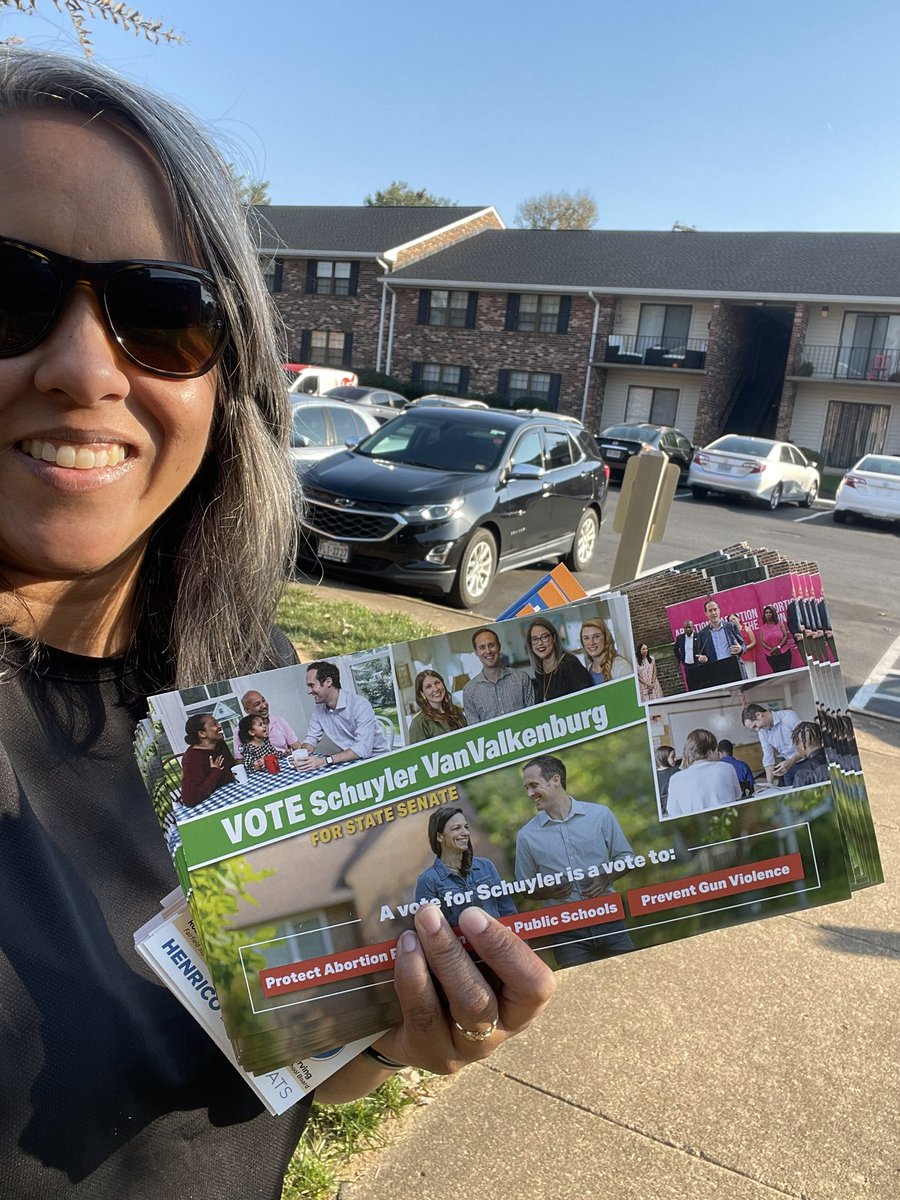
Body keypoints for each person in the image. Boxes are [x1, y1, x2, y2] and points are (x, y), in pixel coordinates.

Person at [0, 49, 554, 1198]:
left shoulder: (251, 680)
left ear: (226, 379)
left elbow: (278, 1063)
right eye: (8, 291)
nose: (84, 368)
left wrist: (397, 1034)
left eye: (162, 315)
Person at [515, 755, 635, 965]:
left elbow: (626, 858)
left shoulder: (600, 815)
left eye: (534, 786)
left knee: (634, 981)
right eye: (527, 788)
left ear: (555, 780)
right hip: (566, 932)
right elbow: (525, 887)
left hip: (609, 920)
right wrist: (548, 891)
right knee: (581, 994)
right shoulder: (526, 836)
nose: (530, 793)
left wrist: (606, 877)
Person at [414, 807, 518, 928]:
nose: (465, 833)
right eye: (457, 828)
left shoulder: (486, 866)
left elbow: (509, 913)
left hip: (500, 944)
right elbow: (430, 931)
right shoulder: (427, 881)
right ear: (439, 837)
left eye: (466, 827)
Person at [296, 660, 389, 769]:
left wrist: (325, 761)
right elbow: (311, 739)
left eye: (312, 685)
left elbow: (363, 750)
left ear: (328, 682)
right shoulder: (319, 710)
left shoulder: (360, 704)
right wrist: (301, 755)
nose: (309, 691)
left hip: (378, 761)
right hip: (351, 762)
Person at [461, 626, 533, 724]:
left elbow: (533, 717)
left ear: (499, 646)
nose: (488, 651)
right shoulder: (469, 691)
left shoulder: (522, 678)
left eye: (491, 645)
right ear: (476, 652)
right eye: (482, 647)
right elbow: (476, 733)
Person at [665, 729, 742, 817]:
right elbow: (737, 796)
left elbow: (673, 813)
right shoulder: (727, 768)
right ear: (712, 751)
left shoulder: (675, 780)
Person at [526, 617, 594, 704]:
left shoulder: (570, 663)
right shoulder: (539, 671)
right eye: (535, 639)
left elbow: (587, 699)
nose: (540, 643)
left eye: (544, 637)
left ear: (554, 638)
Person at [180, 714, 238, 807]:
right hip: (211, 806)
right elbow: (190, 799)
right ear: (202, 734)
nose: (219, 726)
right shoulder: (192, 758)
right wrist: (215, 772)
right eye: (214, 724)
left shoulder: (219, 743)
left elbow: (232, 770)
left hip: (232, 794)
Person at [742, 702, 803, 786]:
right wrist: (769, 785)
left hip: (805, 761)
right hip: (787, 764)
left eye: (755, 726)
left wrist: (791, 761)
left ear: (759, 715)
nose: (757, 730)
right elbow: (768, 758)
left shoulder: (788, 717)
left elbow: (806, 746)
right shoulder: (762, 731)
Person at [233, 688, 302, 760]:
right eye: (257, 704)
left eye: (263, 700)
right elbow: (240, 761)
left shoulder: (279, 721)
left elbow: (297, 747)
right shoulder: (239, 730)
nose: (264, 706)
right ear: (247, 710)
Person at [694, 599, 745, 687]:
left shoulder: (731, 626)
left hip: (734, 667)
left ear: (719, 610)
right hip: (716, 671)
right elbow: (701, 655)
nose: (713, 613)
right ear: (706, 613)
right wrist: (703, 659)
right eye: (710, 611)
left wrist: (740, 648)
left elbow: (743, 645)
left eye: (715, 609)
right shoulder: (702, 634)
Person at [408, 669, 467, 743]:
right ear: (422, 694)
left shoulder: (456, 711)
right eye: (428, 687)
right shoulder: (419, 723)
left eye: (437, 683)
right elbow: (417, 753)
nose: (435, 689)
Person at [580, 617, 631, 684]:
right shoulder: (587, 672)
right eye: (586, 638)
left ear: (606, 638)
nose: (591, 643)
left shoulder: (621, 666)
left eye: (596, 636)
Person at [790, 722, 830, 786]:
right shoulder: (838, 758)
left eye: (796, 744)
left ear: (803, 744)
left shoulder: (803, 773)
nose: (796, 749)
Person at [758, 604, 794, 674]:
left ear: (773, 614)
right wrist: (771, 649)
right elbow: (762, 641)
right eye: (766, 613)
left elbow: (786, 636)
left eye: (770, 612)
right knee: (777, 674)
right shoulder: (762, 628)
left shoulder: (780, 624)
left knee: (787, 672)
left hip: (784, 652)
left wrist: (778, 647)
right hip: (770, 654)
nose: (768, 614)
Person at [673, 618, 704, 690]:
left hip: (698, 664)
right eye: (686, 627)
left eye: (689, 627)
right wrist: (680, 659)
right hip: (687, 665)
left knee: (701, 682)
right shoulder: (680, 638)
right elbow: (675, 649)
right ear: (683, 628)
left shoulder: (698, 636)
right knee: (691, 684)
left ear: (693, 627)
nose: (688, 629)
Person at [728, 612, 758, 679]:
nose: (733, 621)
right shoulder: (730, 633)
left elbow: (754, 642)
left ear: (738, 619)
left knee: (751, 677)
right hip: (739, 659)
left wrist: (743, 649)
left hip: (748, 657)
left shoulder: (747, 629)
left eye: (734, 619)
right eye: (730, 621)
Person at [654, 745, 679, 815]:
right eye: (672, 757)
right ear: (664, 757)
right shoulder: (676, 771)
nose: (675, 759)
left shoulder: (655, 776)